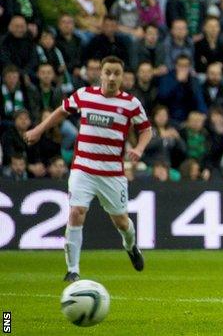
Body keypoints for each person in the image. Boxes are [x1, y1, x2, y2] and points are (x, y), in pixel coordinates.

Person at [23, 55, 153, 283]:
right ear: (100, 74)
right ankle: (73, 270)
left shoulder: (130, 103)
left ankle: (131, 246)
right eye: (108, 72)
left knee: (122, 221)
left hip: (112, 173)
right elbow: (62, 111)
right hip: (83, 168)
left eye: (117, 73)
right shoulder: (84, 95)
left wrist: (140, 149)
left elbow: (146, 129)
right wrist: (39, 129)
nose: (112, 77)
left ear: (122, 77)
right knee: (76, 212)